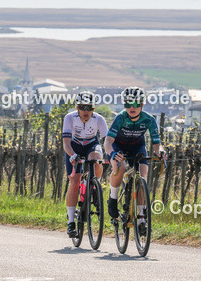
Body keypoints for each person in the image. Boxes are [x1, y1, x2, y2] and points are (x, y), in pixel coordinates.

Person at [104, 87, 165, 238]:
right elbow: (108, 141)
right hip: (119, 147)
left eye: (136, 104)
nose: (132, 107)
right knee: (121, 167)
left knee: (143, 177)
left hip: (138, 147)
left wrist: (161, 152)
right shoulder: (120, 117)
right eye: (128, 103)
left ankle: (142, 217)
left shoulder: (149, 119)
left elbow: (157, 144)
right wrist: (112, 153)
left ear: (142, 104)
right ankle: (112, 199)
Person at [62, 92, 107, 238]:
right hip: (74, 147)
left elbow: (107, 140)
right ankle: (70, 221)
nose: (86, 111)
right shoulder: (69, 118)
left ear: (94, 109)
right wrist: (73, 155)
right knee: (74, 181)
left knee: (97, 159)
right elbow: (66, 144)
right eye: (82, 107)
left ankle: (94, 185)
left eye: (89, 108)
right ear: (77, 107)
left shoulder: (99, 119)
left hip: (91, 145)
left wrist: (111, 154)